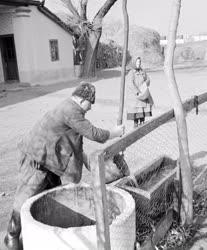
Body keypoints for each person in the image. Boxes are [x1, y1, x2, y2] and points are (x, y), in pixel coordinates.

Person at [4, 82, 125, 250]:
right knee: (25, 196)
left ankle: (44, 235)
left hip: (49, 163)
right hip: (36, 159)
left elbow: (75, 144)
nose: (90, 108)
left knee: (53, 198)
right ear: (83, 99)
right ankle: (11, 236)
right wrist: (115, 133)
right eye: (90, 103)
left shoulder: (69, 109)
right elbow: (94, 134)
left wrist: (90, 164)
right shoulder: (71, 110)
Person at [127, 57, 154, 128]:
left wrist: (145, 84)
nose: (138, 64)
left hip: (143, 94)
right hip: (136, 96)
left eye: (139, 62)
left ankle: (142, 123)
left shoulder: (143, 71)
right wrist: (136, 92)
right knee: (136, 111)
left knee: (142, 110)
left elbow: (148, 79)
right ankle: (135, 125)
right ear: (134, 63)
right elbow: (130, 83)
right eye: (137, 62)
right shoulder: (131, 72)